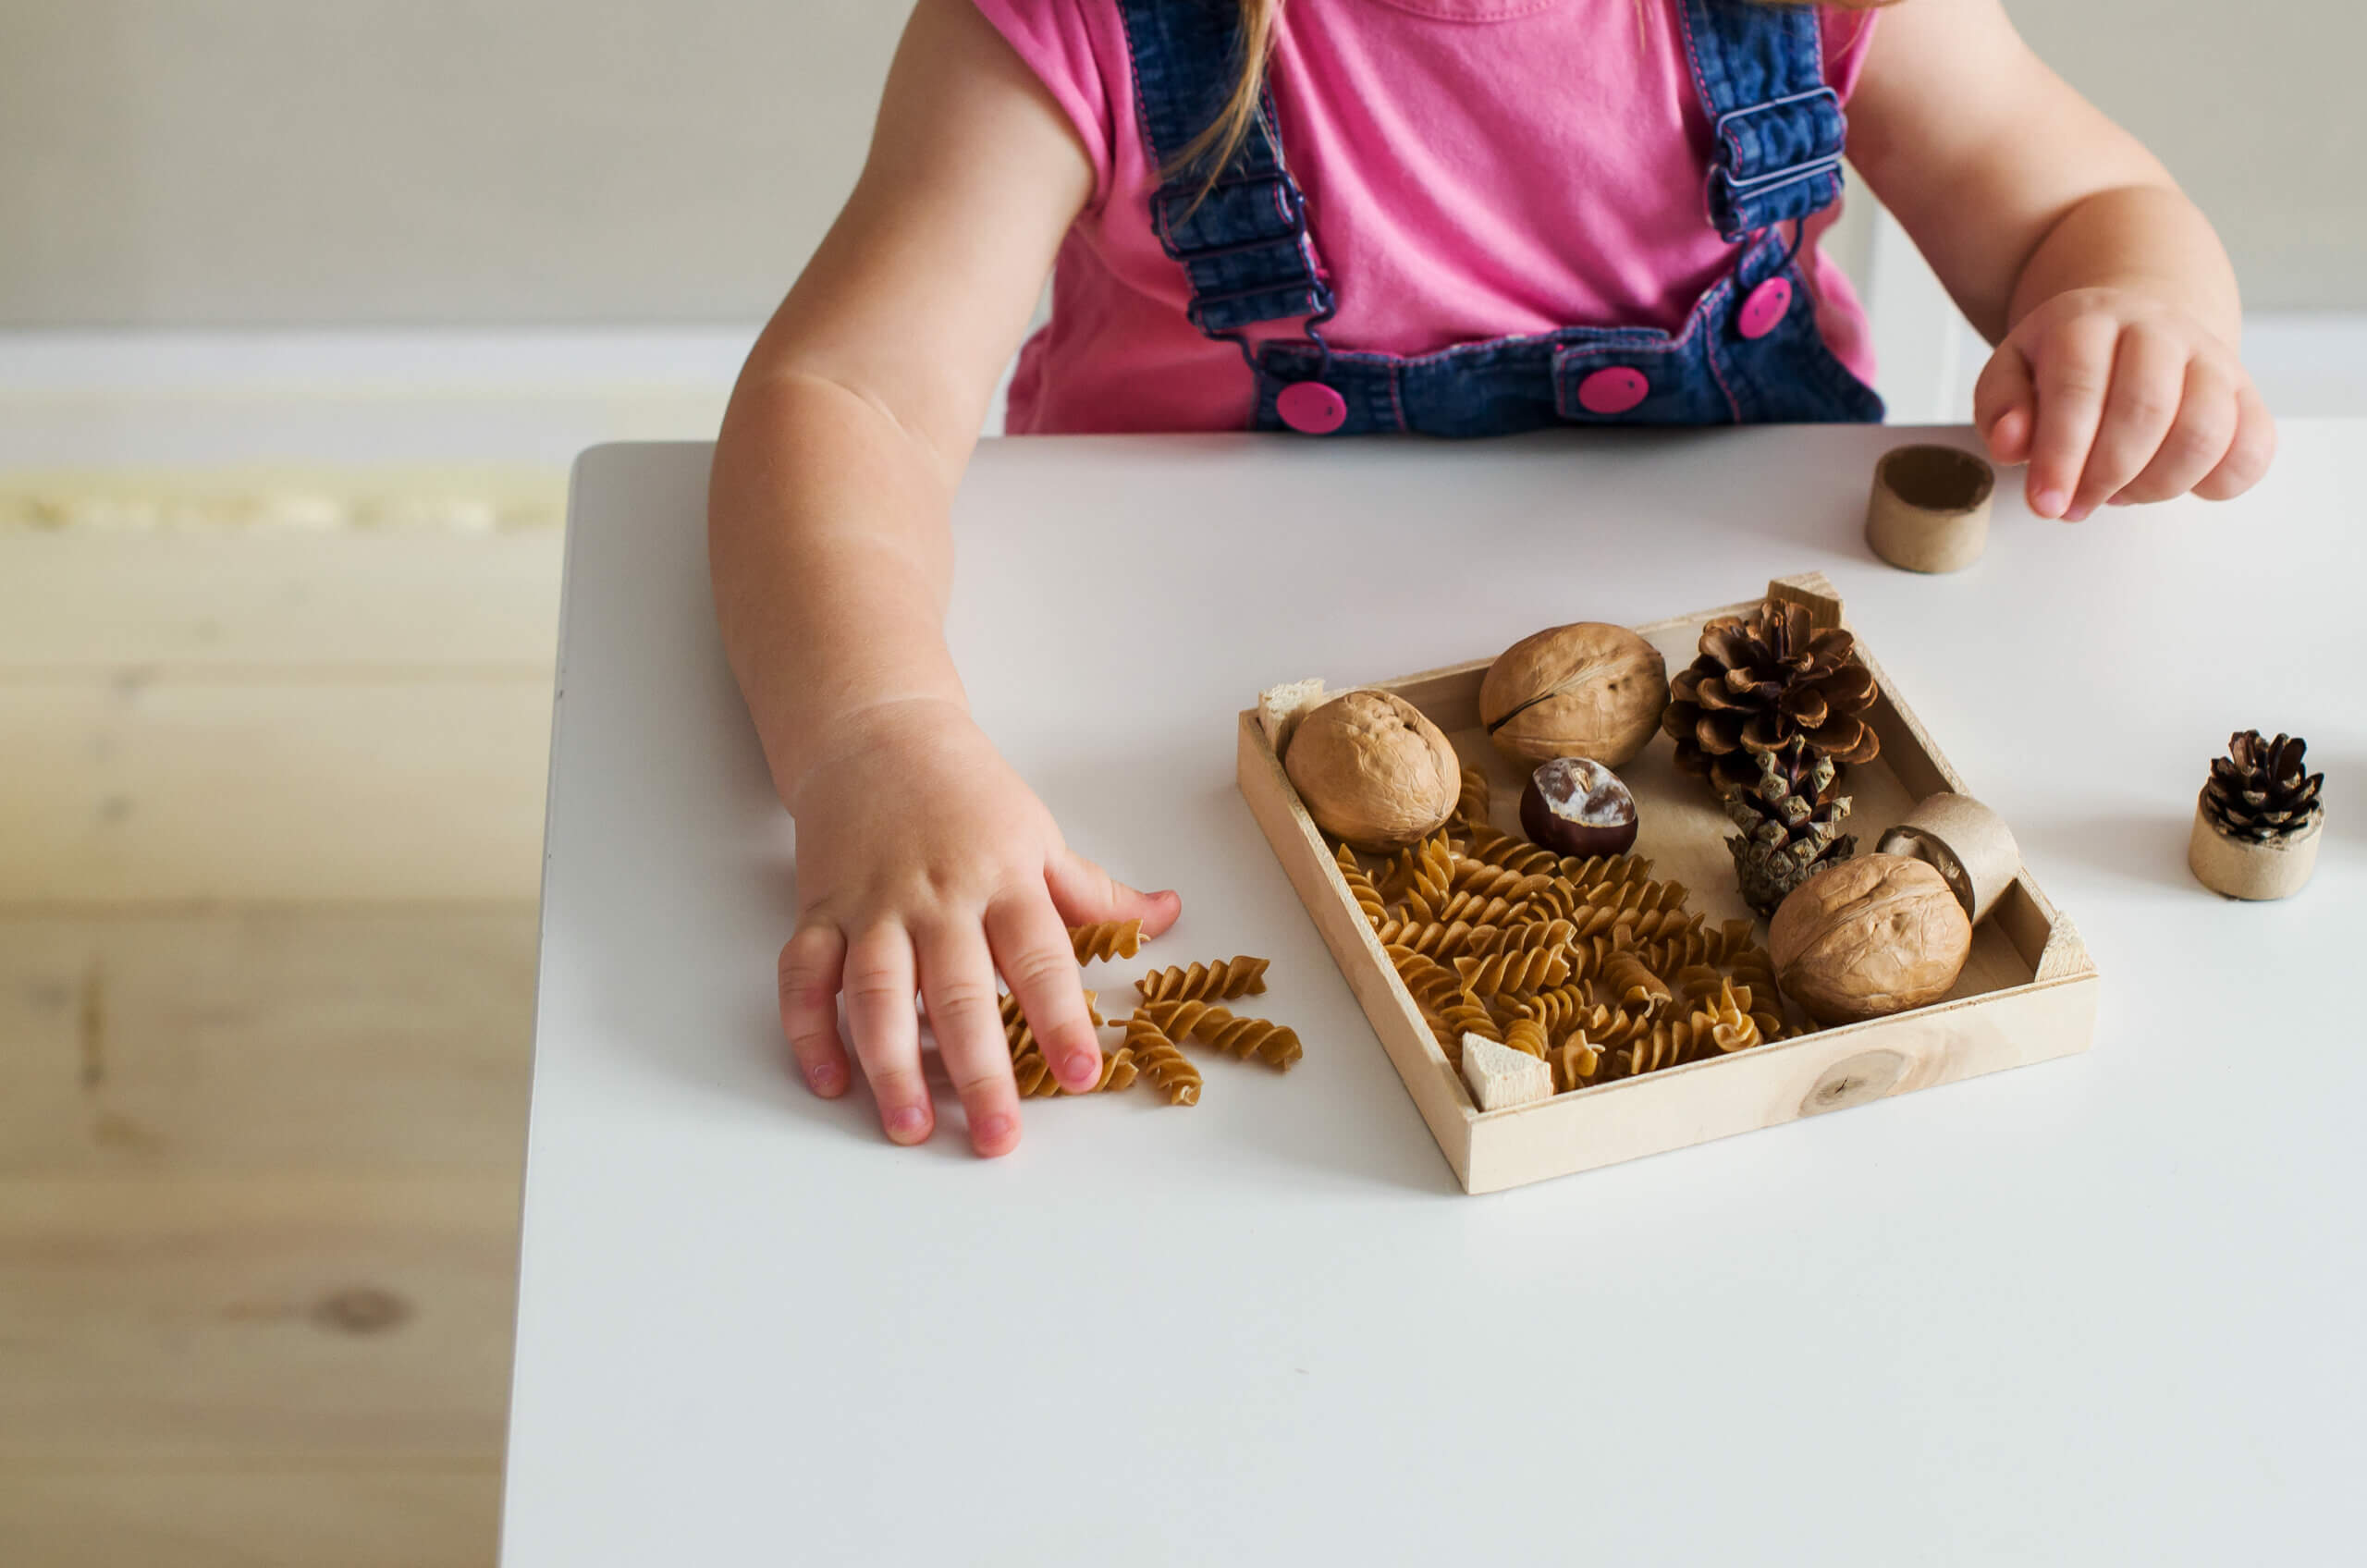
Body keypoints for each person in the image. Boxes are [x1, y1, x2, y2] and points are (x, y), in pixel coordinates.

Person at [709, 0, 2274, 1157]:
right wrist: (877, 736)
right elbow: (848, 401)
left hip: (1736, 756)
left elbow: (2082, 209)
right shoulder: (1081, 26)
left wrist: (2130, 308)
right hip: (1175, 730)